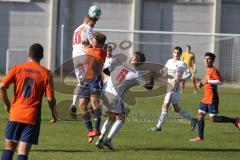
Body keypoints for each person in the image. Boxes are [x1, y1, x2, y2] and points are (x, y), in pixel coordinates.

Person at [0, 43, 56, 160]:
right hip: (31, 117)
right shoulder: (46, 73)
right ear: (42, 56)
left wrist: (7, 104)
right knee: (23, 151)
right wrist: (53, 114)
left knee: (9, 148)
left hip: (15, 114)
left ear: (28, 54)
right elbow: (50, 98)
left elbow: (2, 86)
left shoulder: (17, 68)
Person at [96, 51, 155, 150]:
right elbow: (149, 87)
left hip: (105, 92)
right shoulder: (137, 74)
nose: (132, 59)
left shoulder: (121, 65)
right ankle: (108, 140)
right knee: (121, 118)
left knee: (111, 118)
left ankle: (100, 140)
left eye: (133, 58)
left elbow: (106, 71)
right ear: (140, 63)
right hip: (114, 96)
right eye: (133, 58)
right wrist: (152, 77)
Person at [190, 52, 240, 142]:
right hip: (205, 98)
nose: (206, 60)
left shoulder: (214, 70)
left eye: (208, 59)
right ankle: (200, 137)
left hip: (212, 98)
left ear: (212, 60)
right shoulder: (208, 70)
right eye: (205, 59)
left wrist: (208, 81)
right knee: (200, 115)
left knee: (213, 119)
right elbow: (207, 81)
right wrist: (202, 83)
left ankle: (235, 120)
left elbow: (220, 82)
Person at [148, 46, 197, 132]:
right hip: (169, 86)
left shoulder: (182, 63)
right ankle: (193, 120)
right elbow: (164, 70)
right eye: (175, 52)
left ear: (180, 54)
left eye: (178, 52)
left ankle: (158, 127)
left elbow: (189, 73)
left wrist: (182, 79)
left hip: (174, 87)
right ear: (173, 53)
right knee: (176, 108)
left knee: (165, 105)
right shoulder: (169, 61)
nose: (176, 54)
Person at [78, 32, 107, 143]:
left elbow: (87, 50)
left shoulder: (99, 52)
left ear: (99, 44)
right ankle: (90, 130)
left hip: (95, 80)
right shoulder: (94, 48)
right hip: (86, 80)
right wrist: (88, 44)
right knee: (82, 105)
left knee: (94, 103)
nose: (92, 40)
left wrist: (86, 45)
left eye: (93, 40)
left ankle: (96, 129)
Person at [70, 15, 99, 113]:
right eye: (94, 20)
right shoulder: (88, 28)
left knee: (80, 83)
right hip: (85, 56)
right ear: (89, 20)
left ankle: (73, 104)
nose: (95, 22)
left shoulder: (77, 29)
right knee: (95, 80)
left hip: (75, 57)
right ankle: (93, 105)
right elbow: (93, 44)